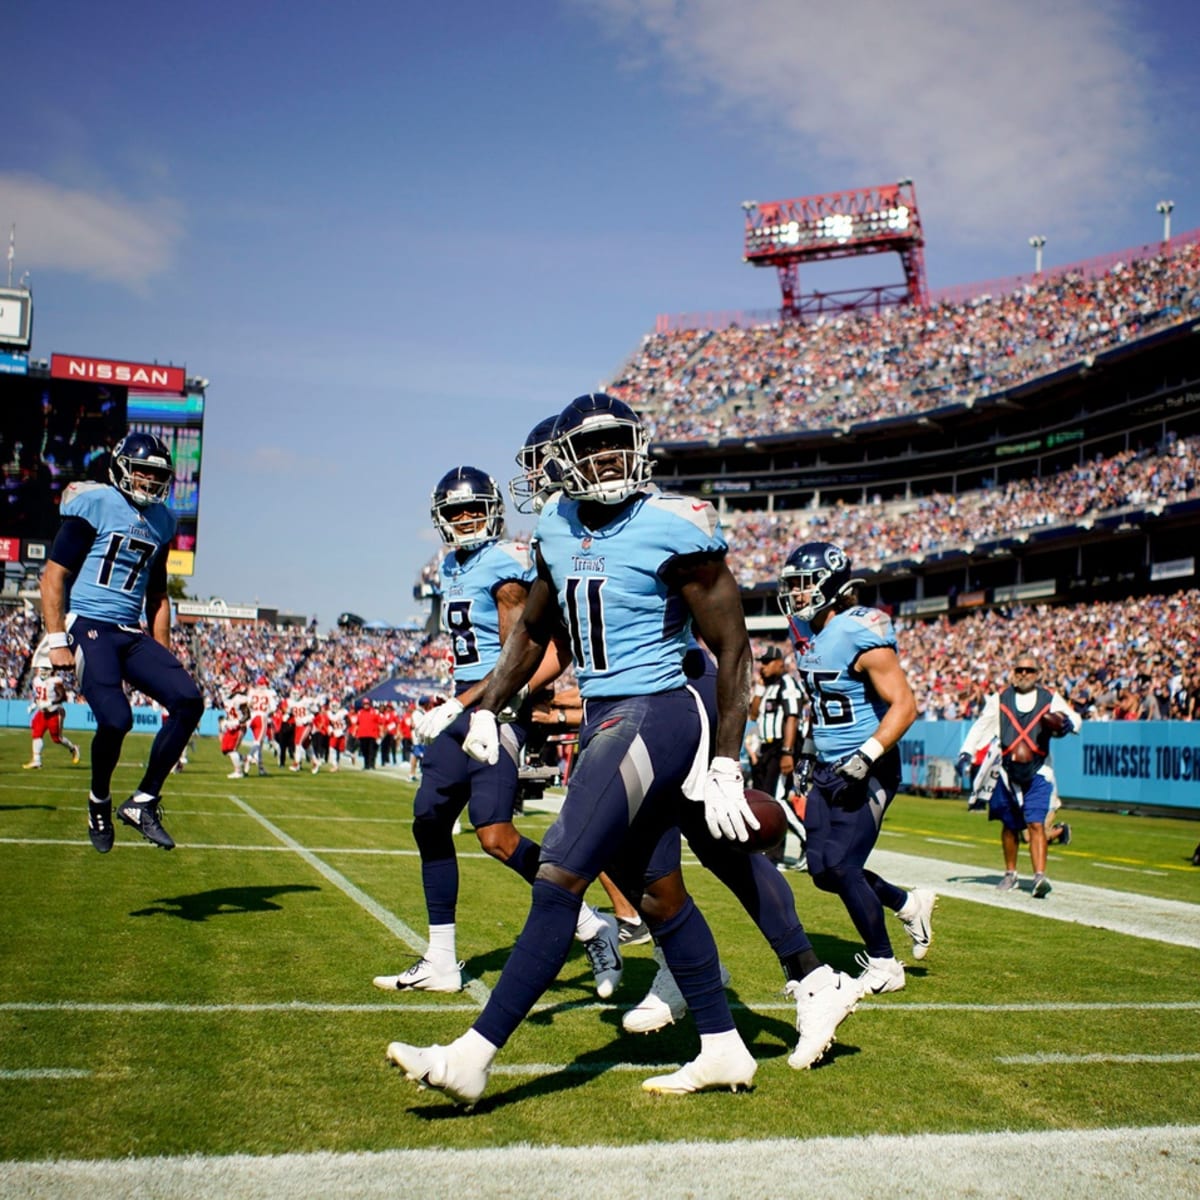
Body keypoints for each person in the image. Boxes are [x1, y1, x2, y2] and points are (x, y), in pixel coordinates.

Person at [385, 394, 855, 1108]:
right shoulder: (554, 525)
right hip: (607, 711)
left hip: (658, 709)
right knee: (659, 895)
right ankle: (724, 1046)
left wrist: (726, 760)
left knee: (560, 876)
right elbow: (536, 633)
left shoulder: (673, 524)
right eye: (591, 449)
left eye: (617, 445)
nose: (607, 461)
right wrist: (481, 705)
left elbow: (731, 649)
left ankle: (473, 1054)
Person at [372, 462, 622, 1000]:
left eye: (471, 509)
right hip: (462, 706)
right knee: (428, 820)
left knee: (496, 837)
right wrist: (455, 700)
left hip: (495, 713)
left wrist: (460, 701)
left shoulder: (506, 567)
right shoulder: (451, 567)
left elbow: (515, 658)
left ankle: (587, 919)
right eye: (454, 511)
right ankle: (441, 959)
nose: (463, 519)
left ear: (491, 512)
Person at [779, 541, 935, 994]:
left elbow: (904, 705)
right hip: (828, 765)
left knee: (845, 866)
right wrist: (809, 749)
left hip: (869, 766)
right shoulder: (804, 631)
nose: (797, 594)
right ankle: (907, 903)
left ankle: (886, 964)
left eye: (804, 585)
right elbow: (824, 703)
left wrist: (866, 755)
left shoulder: (858, 629)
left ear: (830, 584)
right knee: (823, 871)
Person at [37, 431, 204, 853]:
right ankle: (99, 800)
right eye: (143, 471)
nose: (149, 481)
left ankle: (143, 801)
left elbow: (158, 595)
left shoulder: (163, 521)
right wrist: (57, 639)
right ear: (122, 468)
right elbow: (53, 576)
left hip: (130, 631)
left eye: (157, 475)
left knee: (189, 699)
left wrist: (163, 653)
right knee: (117, 720)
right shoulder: (94, 503)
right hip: (89, 623)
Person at [958, 653, 1081, 898]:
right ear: (1014, 672)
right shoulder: (1001, 698)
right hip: (1007, 771)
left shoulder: (1049, 698)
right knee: (1009, 826)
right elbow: (982, 725)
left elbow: (1075, 718)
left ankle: (1039, 877)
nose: (1024, 674)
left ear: (1037, 674)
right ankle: (1010, 872)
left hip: (1038, 770)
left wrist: (1068, 725)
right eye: (1020, 670)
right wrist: (966, 752)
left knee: (1036, 823)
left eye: (1029, 670)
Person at [23, 657, 81, 770]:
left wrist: (49, 702)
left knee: (56, 738)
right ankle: (36, 761)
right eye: (41, 668)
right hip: (43, 712)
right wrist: (34, 705)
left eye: (46, 669)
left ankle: (73, 748)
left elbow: (62, 696)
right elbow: (39, 697)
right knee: (36, 734)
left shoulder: (55, 680)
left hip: (55, 711)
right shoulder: (36, 680)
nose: (43, 671)